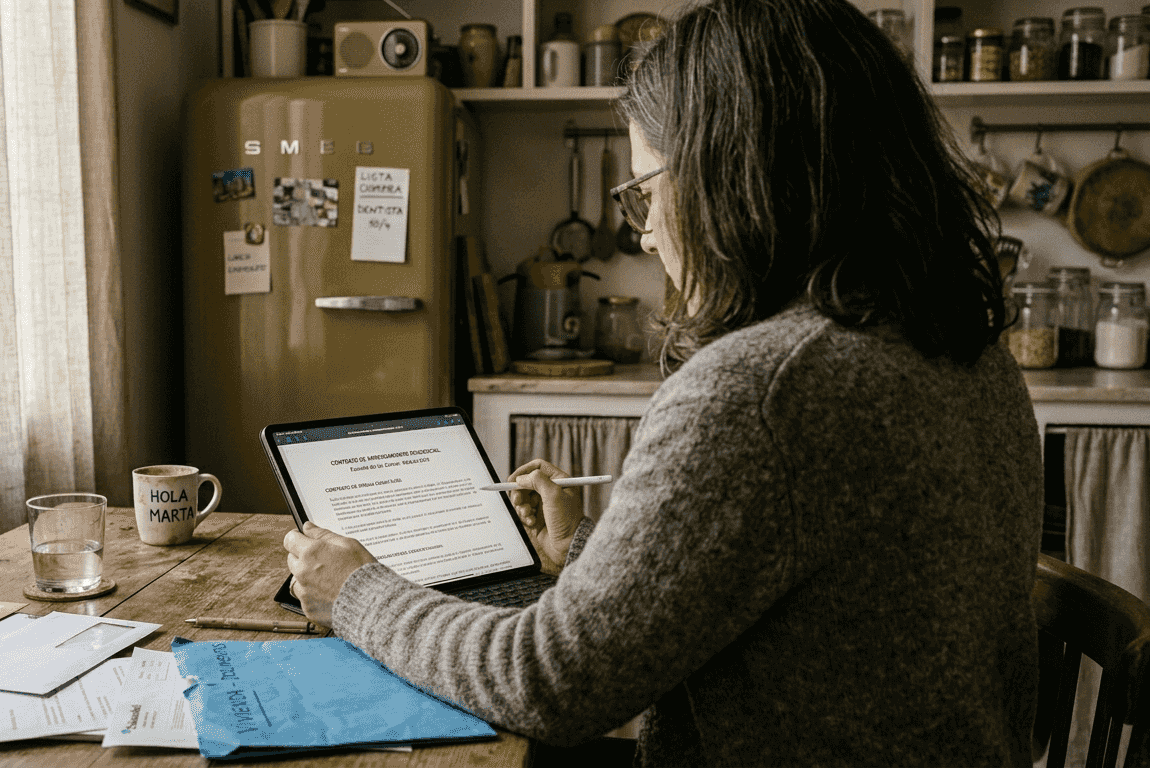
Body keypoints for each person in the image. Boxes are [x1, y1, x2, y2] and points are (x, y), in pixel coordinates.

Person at [283, 1, 1044, 765]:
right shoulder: (967, 351)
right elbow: (808, 608)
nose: (645, 231)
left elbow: (548, 682)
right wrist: (586, 552)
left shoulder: (762, 389)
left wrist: (358, 592)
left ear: (733, 175)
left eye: (647, 188)